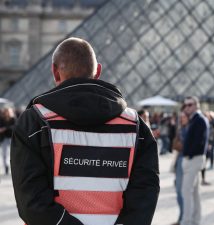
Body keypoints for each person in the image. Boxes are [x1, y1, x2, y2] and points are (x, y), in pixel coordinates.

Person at [10, 37, 160, 225]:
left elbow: (31, 203)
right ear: (97, 71)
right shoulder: (136, 126)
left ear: (55, 72)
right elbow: (145, 196)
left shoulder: (35, 122)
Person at [181, 96, 209, 225]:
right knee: (195, 193)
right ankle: (196, 220)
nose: (187, 107)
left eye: (190, 105)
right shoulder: (195, 119)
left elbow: (198, 142)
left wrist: (188, 154)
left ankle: (187, 221)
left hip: (194, 159)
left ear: (196, 105)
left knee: (186, 191)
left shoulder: (199, 120)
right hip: (194, 158)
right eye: (186, 105)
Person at [171, 110, 189, 225]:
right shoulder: (181, 129)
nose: (181, 119)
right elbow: (175, 145)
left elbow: (186, 146)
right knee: (179, 191)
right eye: (180, 117)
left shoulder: (188, 130)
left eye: (184, 117)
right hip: (179, 161)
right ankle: (182, 217)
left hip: (184, 161)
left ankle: (183, 218)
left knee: (181, 191)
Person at [0, 107, 16, 175]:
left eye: (8, 111)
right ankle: (6, 166)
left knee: (13, 153)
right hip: (4, 138)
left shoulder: (13, 119)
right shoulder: (1, 119)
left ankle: (14, 166)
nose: (7, 113)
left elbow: (15, 126)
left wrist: (6, 128)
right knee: (4, 154)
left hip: (12, 138)